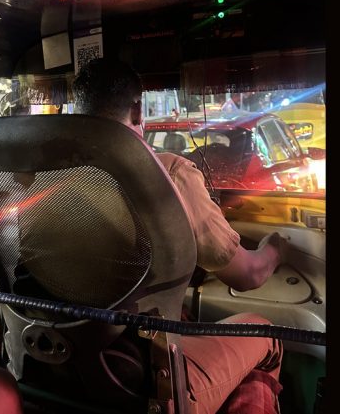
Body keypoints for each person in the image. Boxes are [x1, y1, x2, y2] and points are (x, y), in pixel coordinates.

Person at [71, 57, 285, 414]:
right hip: (146, 376)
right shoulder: (169, 173)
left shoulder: (47, 180)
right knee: (265, 333)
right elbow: (248, 275)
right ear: (138, 111)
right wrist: (275, 248)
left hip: (62, 361)